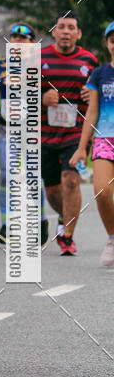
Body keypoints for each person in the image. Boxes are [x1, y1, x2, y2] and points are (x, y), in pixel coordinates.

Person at [0, 23, 49, 247]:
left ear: (33, 42)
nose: (18, 41)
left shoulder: (41, 63)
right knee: (7, 175)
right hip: (5, 128)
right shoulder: (1, 64)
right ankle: (8, 226)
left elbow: (50, 92)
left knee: (32, 176)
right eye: (14, 36)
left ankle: (41, 224)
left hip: (30, 128)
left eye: (24, 37)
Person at [41, 11, 98, 255]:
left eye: (71, 27)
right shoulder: (38, 58)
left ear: (78, 33)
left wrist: (93, 94)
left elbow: (102, 94)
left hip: (76, 132)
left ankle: (67, 236)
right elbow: (22, 95)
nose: (66, 31)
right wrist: (42, 98)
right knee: (53, 190)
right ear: (54, 31)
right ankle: (65, 219)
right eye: (61, 27)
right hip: (44, 134)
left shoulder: (89, 61)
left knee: (71, 181)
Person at [70, 21, 114, 266]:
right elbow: (92, 112)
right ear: (107, 44)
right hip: (104, 138)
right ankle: (112, 238)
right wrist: (81, 147)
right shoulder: (99, 74)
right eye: (112, 40)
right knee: (102, 191)